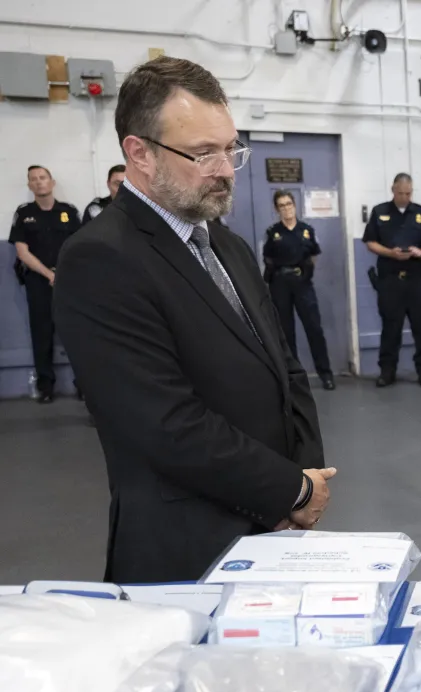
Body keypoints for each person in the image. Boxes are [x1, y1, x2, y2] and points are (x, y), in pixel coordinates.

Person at [53, 56, 331, 584]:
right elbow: (167, 424)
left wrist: (306, 483)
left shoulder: (227, 245)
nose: (226, 169)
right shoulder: (100, 259)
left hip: (278, 535)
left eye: (230, 149)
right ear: (139, 154)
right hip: (186, 551)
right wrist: (288, 490)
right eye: (204, 154)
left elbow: (286, 372)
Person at [8, 165, 79, 403]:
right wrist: (49, 275)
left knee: (76, 333)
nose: (39, 182)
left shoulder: (68, 211)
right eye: (33, 180)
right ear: (29, 186)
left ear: (52, 182)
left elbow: (79, 247)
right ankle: (46, 387)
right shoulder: (24, 213)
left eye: (42, 177)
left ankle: (84, 386)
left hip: (69, 282)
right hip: (38, 282)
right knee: (42, 335)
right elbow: (22, 251)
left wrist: (63, 275)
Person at [362, 173, 421, 387]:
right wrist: (390, 252)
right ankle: (387, 371)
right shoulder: (380, 212)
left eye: (408, 193)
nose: (405, 197)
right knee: (391, 328)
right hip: (390, 280)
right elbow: (370, 242)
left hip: (418, 280)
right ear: (393, 190)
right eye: (401, 193)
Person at [263, 189, 335, 390]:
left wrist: (305, 272)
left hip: (302, 283)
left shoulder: (306, 230)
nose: (286, 208)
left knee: (314, 329)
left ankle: (326, 374)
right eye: (282, 205)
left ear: (295, 205)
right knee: (286, 332)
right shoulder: (273, 232)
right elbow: (267, 258)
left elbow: (313, 254)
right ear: (277, 209)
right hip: (280, 284)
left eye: (289, 204)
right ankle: (293, 378)